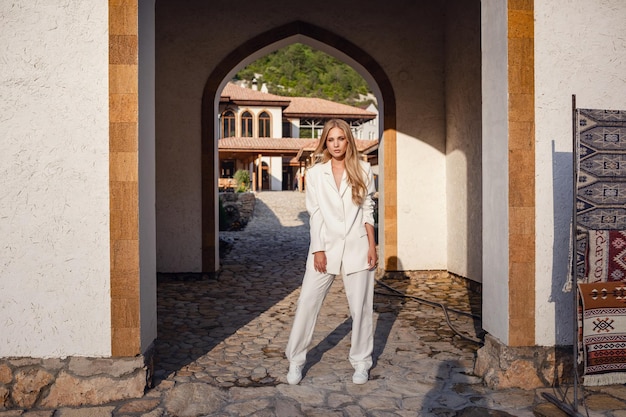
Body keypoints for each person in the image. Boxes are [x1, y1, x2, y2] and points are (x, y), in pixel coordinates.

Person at [285, 118, 378, 385]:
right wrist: (318, 249)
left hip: (358, 247)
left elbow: (368, 210)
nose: (336, 144)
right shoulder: (315, 174)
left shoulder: (363, 169)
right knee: (306, 303)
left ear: (348, 140)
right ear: (325, 142)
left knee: (361, 309)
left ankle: (361, 362)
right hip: (324, 246)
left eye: (341, 138)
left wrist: (372, 246)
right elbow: (315, 214)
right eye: (331, 139)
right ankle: (296, 360)